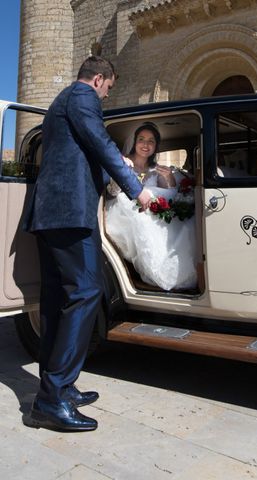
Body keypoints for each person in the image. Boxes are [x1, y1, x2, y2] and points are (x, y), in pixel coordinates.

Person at [22, 56, 153, 432]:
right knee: (85, 292)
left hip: (52, 215)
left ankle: (58, 384)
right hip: (70, 213)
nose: (106, 94)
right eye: (108, 88)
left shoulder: (61, 102)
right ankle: (51, 400)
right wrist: (136, 189)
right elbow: (99, 143)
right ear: (99, 79)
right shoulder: (82, 99)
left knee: (57, 299)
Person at [105, 123, 198, 291]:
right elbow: (112, 192)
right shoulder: (122, 163)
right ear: (134, 142)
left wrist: (169, 177)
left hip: (152, 210)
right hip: (127, 211)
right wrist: (122, 172)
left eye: (151, 141)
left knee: (184, 223)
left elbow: (168, 193)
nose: (145, 145)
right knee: (143, 223)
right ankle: (156, 274)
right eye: (141, 140)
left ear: (155, 146)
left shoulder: (155, 168)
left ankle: (180, 272)